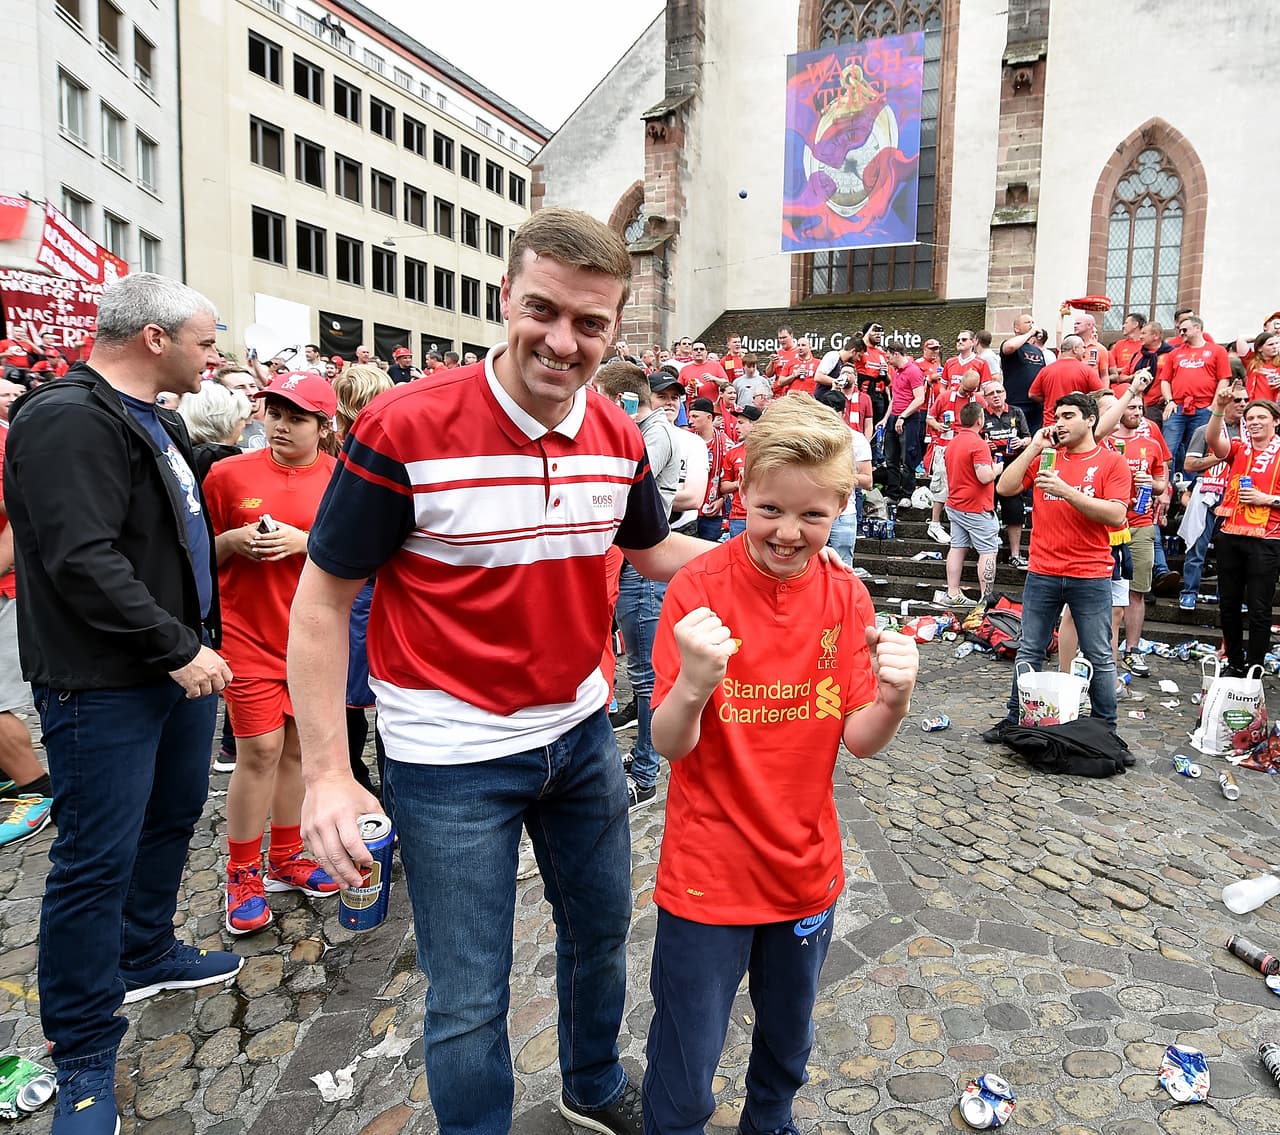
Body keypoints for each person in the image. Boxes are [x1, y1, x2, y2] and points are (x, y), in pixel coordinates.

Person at [290, 208, 721, 1135]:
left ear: (616, 327)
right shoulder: (405, 425)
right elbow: (322, 601)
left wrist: (775, 557)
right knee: (469, 994)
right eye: (543, 310)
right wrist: (326, 770)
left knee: (600, 935)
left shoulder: (617, 433)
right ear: (506, 298)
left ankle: (591, 1085)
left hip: (579, 733)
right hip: (448, 757)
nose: (563, 341)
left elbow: (652, 552)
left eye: (590, 322)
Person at [643, 393, 918, 1135]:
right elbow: (669, 743)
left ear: (840, 510)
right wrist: (693, 685)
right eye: (770, 510)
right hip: (707, 873)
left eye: (812, 516)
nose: (789, 533)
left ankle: (770, 1121)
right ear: (741, 492)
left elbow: (858, 738)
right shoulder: (698, 588)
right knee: (685, 1055)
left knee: (788, 1038)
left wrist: (894, 700)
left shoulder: (845, 594)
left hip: (804, 869)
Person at [5, 273, 240, 1134]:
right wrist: (178, 646)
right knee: (93, 859)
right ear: (154, 337)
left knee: (171, 817)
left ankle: (145, 949)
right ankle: (81, 1051)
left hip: (176, 672)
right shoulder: (68, 417)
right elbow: (81, 557)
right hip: (106, 682)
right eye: (205, 342)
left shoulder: (159, 419)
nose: (214, 358)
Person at [985, 393, 1131, 741]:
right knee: (1030, 649)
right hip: (1043, 569)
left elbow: (1116, 514)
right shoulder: (1047, 457)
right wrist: (1033, 448)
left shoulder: (1111, 462)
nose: (1059, 423)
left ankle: (1107, 731)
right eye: (1057, 417)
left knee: (1099, 655)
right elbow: (1005, 486)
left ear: (1090, 420)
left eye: (1068, 416)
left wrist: (1067, 491)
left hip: (1090, 572)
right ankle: (1015, 717)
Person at [594, 362, 691, 811]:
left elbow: (622, 489)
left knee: (648, 675)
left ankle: (646, 774)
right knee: (640, 672)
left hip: (644, 564)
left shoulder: (651, 435)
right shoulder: (645, 432)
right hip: (636, 560)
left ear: (622, 401)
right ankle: (643, 764)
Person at [1205, 385, 1280, 675]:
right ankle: (1235, 663)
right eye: (1250, 418)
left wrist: (1267, 499)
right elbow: (1213, 440)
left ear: (1276, 421)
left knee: (1259, 609)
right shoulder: (1239, 448)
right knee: (1228, 605)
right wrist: (1218, 408)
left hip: (1267, 538)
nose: (1254, 422)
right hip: (1231, 534)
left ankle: (1255, 667)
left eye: (1261, 417)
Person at [1178, 387, 1244, 609]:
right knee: (1198, 545)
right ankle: (1189, 592)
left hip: (1237, 494)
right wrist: (1223, 456)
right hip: (1208, 491)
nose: (1242, 404)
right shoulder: (1205, 431)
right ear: (1225, 403)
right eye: (1237, 400)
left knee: (1232, 551)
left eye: (1246, 400)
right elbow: (1189, 465)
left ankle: (1229, 596)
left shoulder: (1250, 433)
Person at [1160, 314, 1231, 481]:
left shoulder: (1217, 351)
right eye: (1179, 330)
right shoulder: (1174, 353)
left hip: (1204, 407)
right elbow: (1165, 380)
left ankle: (1190, 488)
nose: (1181, 333)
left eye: (1184, 330)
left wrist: (1214, 405)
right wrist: (1169, 401)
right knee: (1168, 449)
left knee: (1196, 451)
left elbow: (1224, 379)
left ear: (1197, 328)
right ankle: (1165, 486)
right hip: (1177, 407)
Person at [941, 402, 1000, 604]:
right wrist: (997, 468)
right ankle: (986, 598)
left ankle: (952, 593)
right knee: (988, 551)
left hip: (955, 504)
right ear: (979, 420)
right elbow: (984, 476)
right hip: (977, 507)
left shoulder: (953, 443)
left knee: (957, 547)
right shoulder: (978, 443)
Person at [979, 381, 1030, 566]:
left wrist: (1021, 443)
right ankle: (988, 552)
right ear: (985, 398)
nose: (996, 396)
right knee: (988, 509)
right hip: (989, 467)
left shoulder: (1016, 412)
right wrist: (983, 445)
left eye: (999, 391)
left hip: (1012, 467)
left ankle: (1015, 554)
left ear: (1005, 394)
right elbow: (972, 439)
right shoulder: (981, 414)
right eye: (991, 393)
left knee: (1015, 510)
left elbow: (1029, 438)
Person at [882, 344, 926, 506]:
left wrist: (903, 416)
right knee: (891, 458)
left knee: (908, 457)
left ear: (896, 354)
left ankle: (907, 493)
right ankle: (893, 493)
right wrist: (886, 419)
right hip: (895, 416)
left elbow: (920, 398)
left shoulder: (913, 371)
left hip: (909, 419)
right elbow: (895, 397)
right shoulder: (897, 371)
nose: (887, 360)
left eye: (888, 357)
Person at [1029, 336, 1106, 409]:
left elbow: (1032, 394)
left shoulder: (1045, 370)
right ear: (1075, 349)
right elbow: (1102, 394)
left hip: (1051, 417)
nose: (1085, 351)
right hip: (1075, 416)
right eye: (1083, 347)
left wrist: (1049, 399)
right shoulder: (1087, 370)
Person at [1000, 313, 1047, 432]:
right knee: (1015, 435)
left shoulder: (1037, 351)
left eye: (1033, 322)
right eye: (1027, 322)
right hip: (1016, 402)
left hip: (1036, 403)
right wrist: (1030, 333)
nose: (1031, 325)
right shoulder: (1010, 344)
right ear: (1017, 328)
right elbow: (1010, 347)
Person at [1244, 330, 1280, 402]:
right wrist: (1264, 336)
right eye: (1270, 344)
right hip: (1254, 404)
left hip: (1274, 405)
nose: (1275, 347)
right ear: (1259, 348)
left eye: (1277, 343)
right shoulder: (1252, 362)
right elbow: (1241, 339)